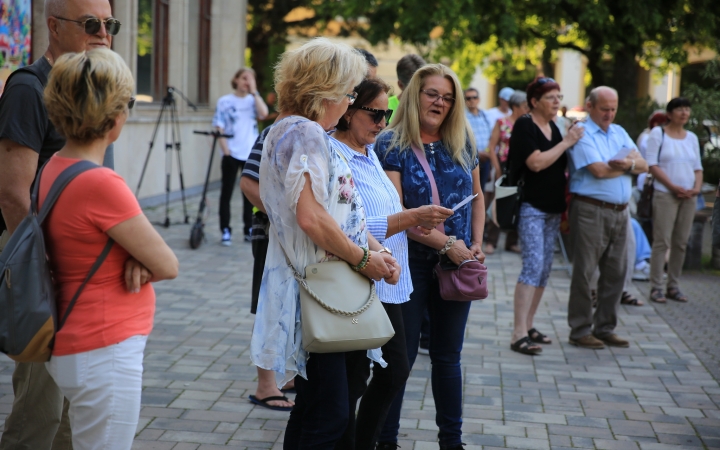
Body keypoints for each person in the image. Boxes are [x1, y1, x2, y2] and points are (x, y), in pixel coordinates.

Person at [248, 38, 400, 448]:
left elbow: (340, 212)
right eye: (349, 92)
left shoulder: (287, 129)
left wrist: (375, 250)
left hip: (315, 283)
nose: (350, 101)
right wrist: (364, 257)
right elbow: (312, 217)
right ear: (323, 91)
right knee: (330, 412)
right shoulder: (306, 133)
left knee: (320, 404)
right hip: (321, 286)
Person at [40, 48, 178, 449]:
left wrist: (134, 252)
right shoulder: (101, 183)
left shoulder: (53, 167)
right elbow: (168, 264)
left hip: (75, 339)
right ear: (115, 118)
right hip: (104, 348)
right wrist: (141, 254)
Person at [0, 0, 122, 447]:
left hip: (87, 268)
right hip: (44, 263)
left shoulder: (90, 90)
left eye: (110, 24)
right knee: (41, 407)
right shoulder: (29, 89)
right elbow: (13, 194)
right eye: (91, 24)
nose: (103, 33)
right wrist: (48, 270)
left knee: (80, 405)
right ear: (53, 26)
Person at [330, 77, 453, 450]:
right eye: (375, 113)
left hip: (390, 278)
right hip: (362, 276)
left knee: (392, 370)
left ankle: (360, 441)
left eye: (387, 113)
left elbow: (386, 209)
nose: (382, 122)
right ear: (349, 111)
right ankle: (351, 442)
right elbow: (352, 225)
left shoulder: (369, 153)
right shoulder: (337, 155)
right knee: (362, 374)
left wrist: (416, 218)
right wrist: (412, 217)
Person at [375, 64, 485, 450]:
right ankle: (385, 442)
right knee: (399, 360)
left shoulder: (463, 141)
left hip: (457, 263)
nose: (441, 102)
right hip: (407, 265)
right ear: (414, 95)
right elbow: (399, 212)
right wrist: (445, 244)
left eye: (448, 97)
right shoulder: (389, 144)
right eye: (433, 93)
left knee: (448, 358)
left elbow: (478, 197)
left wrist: (475, 243)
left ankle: (451, 443)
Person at [567, 86, 648, 350]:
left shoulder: (619, 131)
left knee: (617, 272)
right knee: (585, 272)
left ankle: (605, 328)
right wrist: (629, 167)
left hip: (620, 211)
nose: (609, 114)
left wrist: (628, 165)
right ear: (590, 106)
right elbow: (599, 170)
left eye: (613, 109)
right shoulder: (581, 133)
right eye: (605, 109)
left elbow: (645, 164)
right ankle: (580, 330)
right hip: (591, 209)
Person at [506, 78, 583, 355]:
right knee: (532, 266)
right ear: (535, 101)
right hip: (531, 207)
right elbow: (536, 162)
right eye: (551, 97)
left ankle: (529, 325)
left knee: (545, 269)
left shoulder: (554, 126)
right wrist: (568, 142)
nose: (557, 102)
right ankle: (518, 333)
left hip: (553, 209)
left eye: (558, 96)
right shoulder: (525, 125)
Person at [646, 97, 703, 303]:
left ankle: (673, 285)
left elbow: (698, 167)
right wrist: (672, 186)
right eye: (679, 109)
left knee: (681, 242)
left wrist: (696, 189)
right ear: (669, 114)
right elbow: (652, 164)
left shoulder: (692, 138)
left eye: (687, 109)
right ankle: (656, 286)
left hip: (688, 196)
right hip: (666, 194)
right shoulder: (658, 133)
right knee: (662, 241)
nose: (684, 113)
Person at [213, 67, 268, 245]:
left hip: (250, 154)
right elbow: (219, 126)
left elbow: (264, 114)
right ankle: (225, 230)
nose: (247, 82)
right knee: (226, 193)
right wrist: (226, 151)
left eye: (251, 79)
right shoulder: (225, 101)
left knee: (249, 193)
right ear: (236, 80)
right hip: (231, 153)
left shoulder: (254, 101)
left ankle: (248, 228)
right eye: (244, 78)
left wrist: (254, 92)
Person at [483, 90, 530, 255]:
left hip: (523, 168)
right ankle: (491, 241)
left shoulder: (528, 123)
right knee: (499, 202)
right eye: (525, 106)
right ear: (515, 106)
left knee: (519, 203)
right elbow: (492, 147)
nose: (528, 109)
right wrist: (497, 169)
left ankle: (512, 241)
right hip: (504, 166)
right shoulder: (502, 122)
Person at [464, 87, 494, 190]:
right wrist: (477, 153)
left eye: (474, 97)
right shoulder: (462, 117)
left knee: (482, 189)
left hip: (485, 160)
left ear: (478, 99)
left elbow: (491, 136)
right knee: (470, 191)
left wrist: (488, 153)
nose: (472, 100)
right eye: (468, 98)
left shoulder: (485, 115)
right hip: (469, 160)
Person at [387, 54, 426, 122]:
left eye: (424, 85)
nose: (423, 91)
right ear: (400, 85)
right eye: (415, 88)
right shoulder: (385, 108)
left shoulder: (430, 107)